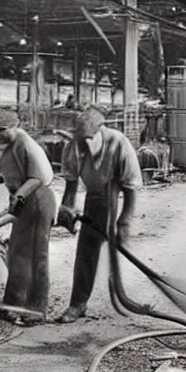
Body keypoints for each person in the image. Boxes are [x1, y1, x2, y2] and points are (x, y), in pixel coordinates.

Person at [56, 106, 143, 323]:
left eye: (88, 139)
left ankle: (125, 295)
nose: (84, 144)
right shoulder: (75, 146)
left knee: (116, 252)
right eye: (80, 140)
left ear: (100, 131)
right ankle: (77, 304)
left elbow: (131, 186)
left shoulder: (118, 142)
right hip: (93, 199)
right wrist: (67, 212)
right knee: (86, 250)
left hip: (112, 194)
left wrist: (124, 221)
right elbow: (71, 184)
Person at [0, 109, 57, 325]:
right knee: (17, 255)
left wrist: (19, 195)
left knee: (36, 257)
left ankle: (35, 312)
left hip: (37, 200)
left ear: (13, 127)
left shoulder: (26, 144)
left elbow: (39, 178)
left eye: (1, 131)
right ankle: (11, 306)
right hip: (22, 201)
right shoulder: (8, 147)